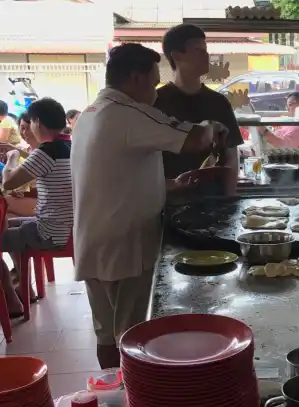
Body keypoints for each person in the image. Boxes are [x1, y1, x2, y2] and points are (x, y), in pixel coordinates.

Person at [71, 43, 227, 369]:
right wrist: (215, 125)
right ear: (136, 77)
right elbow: (197, 138)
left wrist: (171, 184)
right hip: (125, 244)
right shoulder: (128, 112)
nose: (156, 91)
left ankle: (113, 397)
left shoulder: (91, 114)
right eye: (154, 81)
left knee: (105, 333)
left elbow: (112, 176)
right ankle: (137, 405)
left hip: (93, 240)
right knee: (131, 335)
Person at [1, 97, 73, 311]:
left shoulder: (47, 151)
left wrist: (12, 157)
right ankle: (24, 287)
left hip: (50, 233)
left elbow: (8, 183)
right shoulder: (69, 146)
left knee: (3, 235)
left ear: (37, 122)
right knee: (11, 226)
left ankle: (13, 300)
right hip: (70, 229)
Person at [154, 24, 243, 193]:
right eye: (198, 50)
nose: (206, 55)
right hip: (170, 198)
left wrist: (230, 195)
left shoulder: (218, 101)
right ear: (177, 56)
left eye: (206, 50)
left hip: (213, 198)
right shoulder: (157, 101)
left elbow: (231, 155)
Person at [5, 112, 38, 218]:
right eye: (22, 128)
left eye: (29, 128)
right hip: (23, 197)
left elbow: (8, 182)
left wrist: (13, 155)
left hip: (38, 200)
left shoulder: (46, 152)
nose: (25, 132)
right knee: (7, 215)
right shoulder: (21, 149)